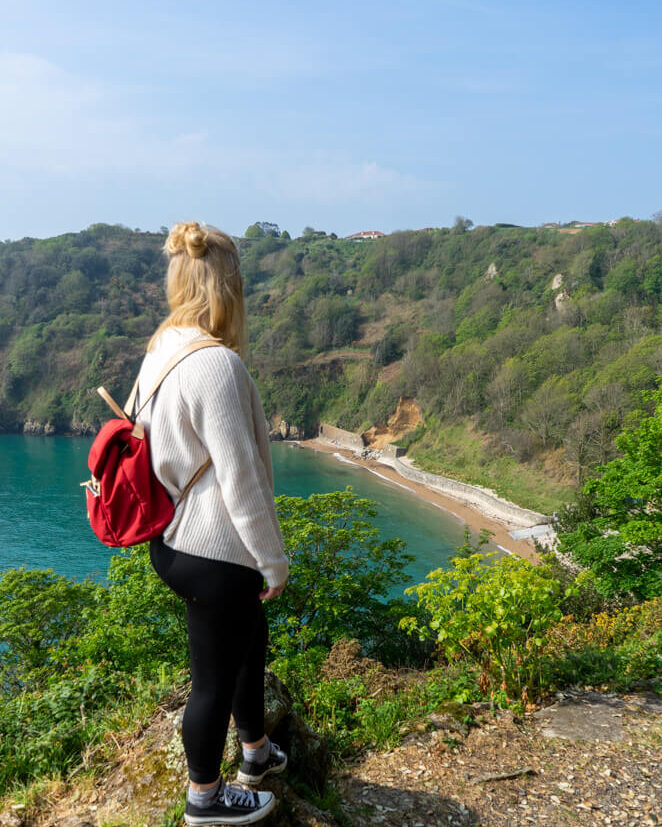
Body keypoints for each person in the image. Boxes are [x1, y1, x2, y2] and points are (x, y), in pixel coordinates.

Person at [135, 221, 290, 825]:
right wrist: (271, 560)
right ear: (229, 285)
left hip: (171, 539)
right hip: (216, 550)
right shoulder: (217, 366)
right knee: (212, 682)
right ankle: (205, 798)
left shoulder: (160, 351)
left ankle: (256, 753)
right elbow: (241, 479)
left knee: (250, 641)